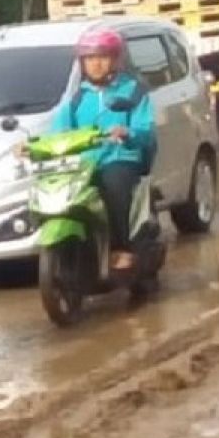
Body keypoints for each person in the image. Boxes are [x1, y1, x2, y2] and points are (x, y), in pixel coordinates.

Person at [48, 28, 155, 273]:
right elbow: (58, 132)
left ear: (115, 59)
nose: (95, 64)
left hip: (120, 159)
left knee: (113, 185)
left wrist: (127, 133)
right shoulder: (76, 97)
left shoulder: (133, 91)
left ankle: (121, 247)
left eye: (102, 57)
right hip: (84, 166)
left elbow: (145, 128)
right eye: (89, 58)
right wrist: (31, 147)